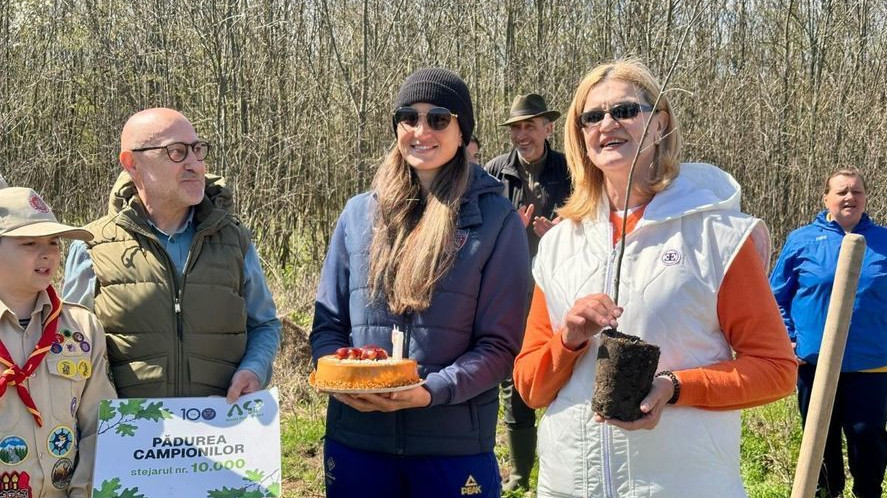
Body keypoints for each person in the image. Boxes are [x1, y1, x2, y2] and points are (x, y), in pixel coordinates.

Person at [512, 59, 798, 497]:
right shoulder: (559, 243)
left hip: (683, 486)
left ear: (660, 122)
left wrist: (676, 387)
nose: (607, 123)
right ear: (579, 134)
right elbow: (531, 387)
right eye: (592, 116)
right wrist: (567, 339)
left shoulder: (714, 235)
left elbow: (776, 370)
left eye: (625, 110)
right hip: (569, 485)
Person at [310, 68, 530, 498]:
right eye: (408, 117)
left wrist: (430, 393)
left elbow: (499, 346)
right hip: (358, 439)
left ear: (462, 129)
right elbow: (328, 324)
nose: (421, 129)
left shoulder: (496, 221)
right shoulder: (358, 215)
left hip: (452, 446)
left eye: (438, 118)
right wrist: (343, 380)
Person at [62, 108, 280, 402]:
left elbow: (264, 324)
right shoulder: (92, 246)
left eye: (198, 150)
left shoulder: (234, 239)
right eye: (177, 152)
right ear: (132, 163)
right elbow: (71, 346)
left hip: (220, 433)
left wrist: (255, 369)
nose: (195, 165)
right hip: (128, 437)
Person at [770, 168, 886, 498]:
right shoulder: (801, 240)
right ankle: (824, 492)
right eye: (842, 192)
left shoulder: (884, 242)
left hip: (870, 363)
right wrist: (789, 338)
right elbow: (775, 296)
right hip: (814, 361)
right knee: (820, 439)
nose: (850, 197)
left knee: (867, 436)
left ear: (865, 198)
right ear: (826, 199)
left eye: (857, 192)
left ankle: (868, 492)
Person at [0, 187, 117, 497]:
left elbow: (99, 424)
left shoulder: (81, 328)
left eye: (53, 242)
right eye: (29, 243)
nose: (48, 253)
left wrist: (84, 492)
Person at [484, 92, 570, 492]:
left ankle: (560, 467)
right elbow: (477, 235)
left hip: (559, 293)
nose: (522, 135)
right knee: (515, 383)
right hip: (512, 292)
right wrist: (509, 235)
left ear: (548, 128)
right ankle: (520, 474)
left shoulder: (571, 171)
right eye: (516, 128)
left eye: (529, 126)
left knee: (559, 380)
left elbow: (594, 224)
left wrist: (562, 236)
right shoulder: (494, 174)